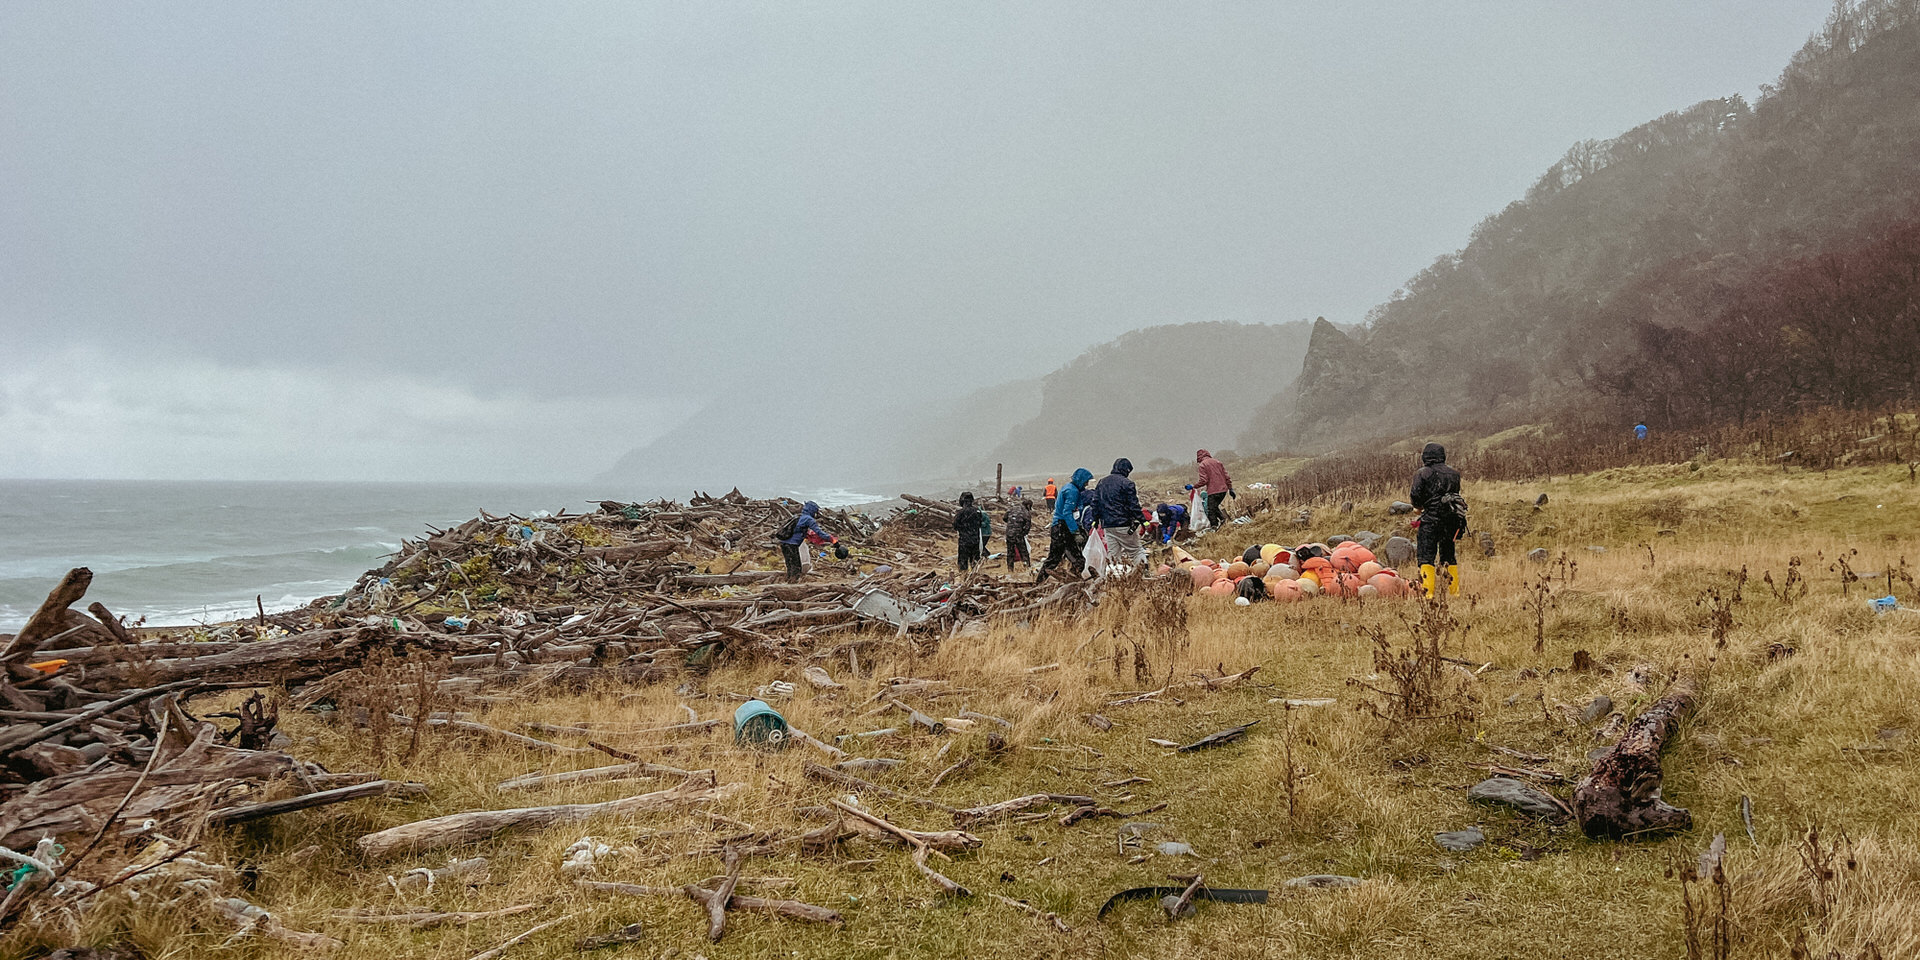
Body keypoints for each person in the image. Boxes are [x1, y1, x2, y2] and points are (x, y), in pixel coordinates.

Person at [1409, 442, 1465, 597]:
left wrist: (1418, 508)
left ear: (1425, 456)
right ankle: (1455, 593)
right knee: (1448, 556)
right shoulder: (1454, 474)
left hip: (1431, 521)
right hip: (1452, 521)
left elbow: (1415, 496)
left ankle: (1428, 595)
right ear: (1442, 456)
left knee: (1426, 557)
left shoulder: (1423, 473)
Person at [1091, 458, 1149, 571]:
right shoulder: (1127, 483)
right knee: (1136, 551)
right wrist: (1143, 521)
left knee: (1113, 555)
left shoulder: (1102, 482)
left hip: (1108, 525)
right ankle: (1144, 573)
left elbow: (1095, 503)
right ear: (1126, 470)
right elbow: (1133, 505)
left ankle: (1115, 580)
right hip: (1124, 525)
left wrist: (1095, 520)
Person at [1036, 468, 1092, 582]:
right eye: (1086, 481)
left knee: (1056, 558)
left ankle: (1041, 581)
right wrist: (1075, 531)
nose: (1086, 484)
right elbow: (1067, 513)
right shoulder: (1072, 492)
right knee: (1075, 559)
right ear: (1081, 480)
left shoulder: (1069, 488)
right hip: (1062, 527)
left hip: (1060, 526)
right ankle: (1074, 582)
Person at [778, 501, 838, 583]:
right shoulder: (809, 519)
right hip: (792, 545)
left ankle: (788, 582)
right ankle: (792, 588)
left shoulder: (799, 516)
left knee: (790, 565)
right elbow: (819, 532)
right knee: (796, 568)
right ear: (812, 510)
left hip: (783, 543)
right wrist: (832, 539)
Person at [1195, 449, 1235, 529]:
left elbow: (1204, 480)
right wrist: (1230, 488)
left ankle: (1214, 527)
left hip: (1213, 491)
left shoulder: (1202, 465)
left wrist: (1194, 486)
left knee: (1210, 510)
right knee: (1214, 506)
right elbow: (1226, 476)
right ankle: (1224, 522)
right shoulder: (1217, 462)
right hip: (1223, 490)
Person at [953, 492, 985, 572]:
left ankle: (964, 579)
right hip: (975, 540)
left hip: (964, 541)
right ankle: (975, 578)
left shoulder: (960, 513)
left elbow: (955, 526)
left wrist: (963, 529)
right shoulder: (977, 511)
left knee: (963, 563)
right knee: (975, 562)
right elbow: (980, 524)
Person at [1004, 498, 1033, 571]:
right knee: (1023, 551)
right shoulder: (1026, 512)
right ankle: (1027, 568)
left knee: (1010, 552)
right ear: (1028, 506)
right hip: (1019, 534)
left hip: (1009, 533)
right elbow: (1028, 526)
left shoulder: (1012, 509)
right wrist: (1023, 533)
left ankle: (1010, 569)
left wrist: (1011, 524)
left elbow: (1004, 518)